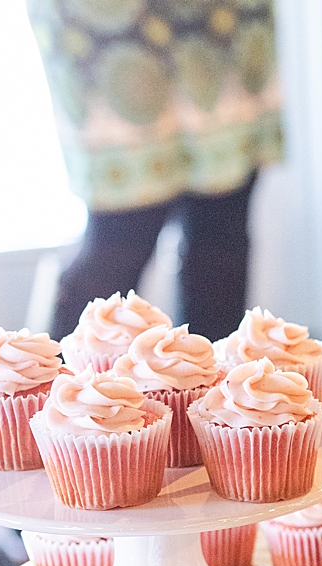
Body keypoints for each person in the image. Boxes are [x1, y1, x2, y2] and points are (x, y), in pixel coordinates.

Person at [26, 0, 283, 341]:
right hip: (109, 26)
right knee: (121, 239)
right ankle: (57, 385)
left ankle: (211, 386)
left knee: (222, 232)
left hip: (222, 19)